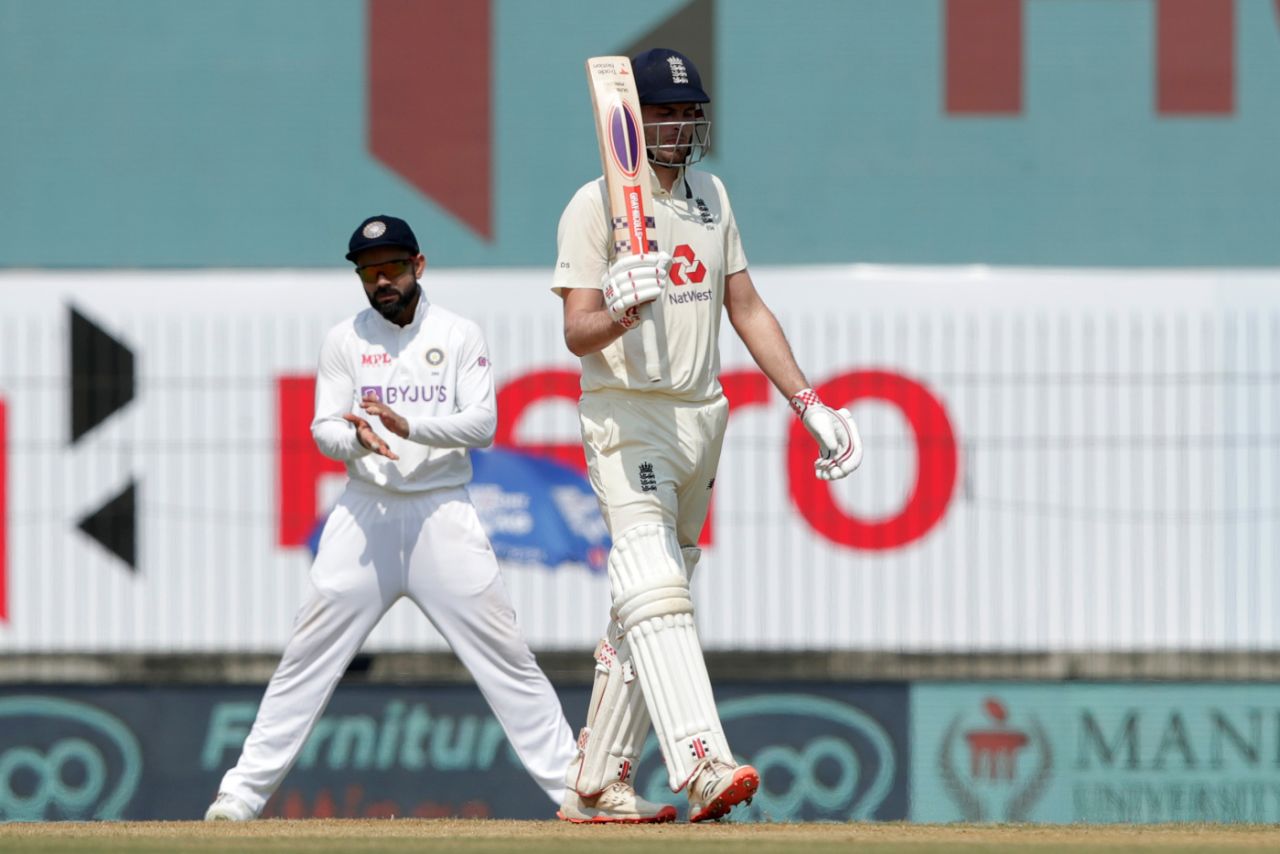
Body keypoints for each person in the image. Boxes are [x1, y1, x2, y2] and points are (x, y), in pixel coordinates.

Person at [550, 49, 863, 824]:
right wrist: (620, 308)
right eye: (665, 111)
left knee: (649, 602)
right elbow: (575, 332)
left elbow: (746, 307)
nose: (682, 123)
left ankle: (599, 783)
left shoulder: (712, 198)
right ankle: (703, 763)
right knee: (655, 587)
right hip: (628, 414)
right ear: (637, 120)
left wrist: (809, 402)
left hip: (701, 415)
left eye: (691, 111)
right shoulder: (593, 206)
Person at [205, 215, 577, 820]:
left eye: (393, 268)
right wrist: (355, 443)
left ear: (419, 267)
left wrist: (409, 427)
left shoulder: (459, 334)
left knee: (507, 656)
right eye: (369, 272)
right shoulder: (344, 340)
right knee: (308, 654)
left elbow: (482, 425)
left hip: (441, 513)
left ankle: (574, 792)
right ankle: (240, 796)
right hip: (365, 512)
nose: (382, 281)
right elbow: (324, 426)